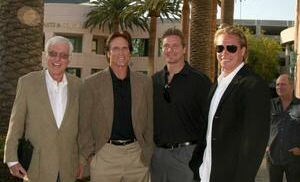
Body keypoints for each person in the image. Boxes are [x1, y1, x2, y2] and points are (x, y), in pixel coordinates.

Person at [190, 25, 271, 182]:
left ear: (242, 51)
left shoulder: (254, 85)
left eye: (231, 48)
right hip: (205, 173)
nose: (224, 53)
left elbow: (254, 143)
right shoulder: (217, 84)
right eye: (220, 48)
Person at [4, 36, 82, 182]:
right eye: (53, 54)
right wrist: (11, 159)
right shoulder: (27, 82)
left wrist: (82, 160)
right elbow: (16, 123)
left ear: (69, 59)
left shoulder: (78, 85)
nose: (57, 59)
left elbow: (83, 127)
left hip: (68, 166)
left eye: (63, 55)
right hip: (37, 167)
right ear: (45, 55)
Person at [78, 30, 153, 182]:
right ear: (108, 53)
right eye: (115, 48)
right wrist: (91, 156)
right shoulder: (91, 83)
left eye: (125, 48)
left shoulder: (144, 82)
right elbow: (84, 124)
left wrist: (148, 152)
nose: (121, 52)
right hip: (105, 155)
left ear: (130, 52)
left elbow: (150, 122)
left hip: (137, 156)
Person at [151, 27, 211, 182]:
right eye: (166, 46)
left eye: (175, 45)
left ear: (184, 49)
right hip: (158, 156)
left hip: (187, 156)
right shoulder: (154, 80)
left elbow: (211, 120)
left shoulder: (200, 81)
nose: (170, 50)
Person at [267, 74, 300, 182]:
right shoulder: (270, 104)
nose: (279, 87)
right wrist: (265, 145)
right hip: (273, 157)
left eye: (283, 84)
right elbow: (262, 127)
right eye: (277, 85)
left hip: (294, 158)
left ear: (292, 86)